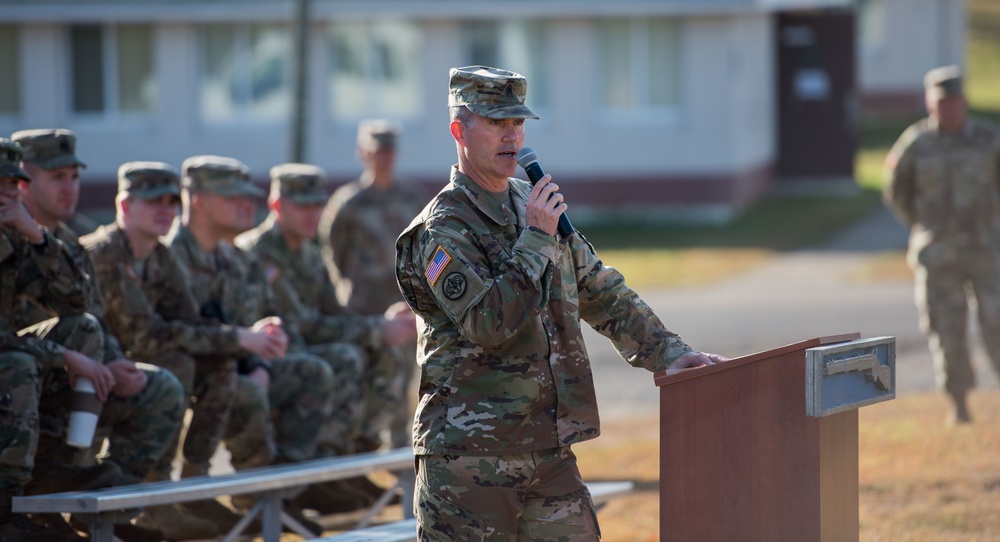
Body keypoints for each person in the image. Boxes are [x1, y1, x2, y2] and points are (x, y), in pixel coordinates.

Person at [395, 66, 727, 540]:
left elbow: (600, 290)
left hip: (547, 449)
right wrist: (534, 239)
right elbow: (488, 324)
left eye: (517, 124)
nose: (511, 136)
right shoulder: (443, 229)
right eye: (495, 123)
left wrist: (669, 353)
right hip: (467, 457)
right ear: (459, 131)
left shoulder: (534, 207)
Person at [81, 161, 280, 539]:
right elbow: (149, 336)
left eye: (172, 202)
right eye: (154, 201)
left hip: (134, 372)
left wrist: (244, 337)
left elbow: (188, 321)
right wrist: (238, 338)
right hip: (91, 373)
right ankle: (151, 495)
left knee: (215, 362)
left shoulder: (160, 257)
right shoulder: (103, 255)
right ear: (124, 206)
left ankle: (192, 483)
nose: (166, 210)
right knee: (177, 363)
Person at [165, 155, 333, 533]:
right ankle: (216, 492)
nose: (247, 205)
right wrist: (248, 353)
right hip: (189, 373)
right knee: (245, 391)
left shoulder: (237, 260)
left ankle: (282, 491)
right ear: (198, 201)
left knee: (310, 372)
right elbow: (176, 333)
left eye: (247, 196)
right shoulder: (169, 257)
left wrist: (262, 355)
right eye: (232, 197)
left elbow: (258, 321)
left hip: (233, 368)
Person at [235, 163, 417, 510]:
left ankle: (350, 461)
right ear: (277, 205)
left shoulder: (308, 253)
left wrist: (383, 324)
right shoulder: (258, 252)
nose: (312, 214)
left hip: (310, 355)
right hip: (268, 362)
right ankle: (319, 471)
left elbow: (335, 315)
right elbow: (301, 325)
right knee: (350, 356)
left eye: (317, 205)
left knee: (384, 355)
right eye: (302, 205)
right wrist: (378, 330)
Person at [0, 138, 114, 542]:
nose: (8, 195)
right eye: (0, 184)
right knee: (19, 365)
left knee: (83, 329)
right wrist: (62, 355)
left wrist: (38, 238)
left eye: (14, 185)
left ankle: (51, 469)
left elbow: (75, 302)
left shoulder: (14, 233)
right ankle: (5, 507)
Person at [883, 64, 1000, 425]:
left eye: (954, 101)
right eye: (941, 102)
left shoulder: (988, 139)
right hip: (938, 255)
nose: (948, 108)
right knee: (947, 330)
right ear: (930, 103)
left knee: (997, 323)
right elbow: (896, 192)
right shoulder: (915, 145)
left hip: (986, 250)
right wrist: (925, 228)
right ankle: (959, 405)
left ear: (963, 101)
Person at [318, 119, 426, 448]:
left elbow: (425, 247)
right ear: (363, 153)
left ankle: (400, 452)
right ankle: (359, 450)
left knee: (404, 380)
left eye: (389, 150)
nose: (384, 157)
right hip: (363, 308)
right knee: (363, 379)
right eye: (377, 151)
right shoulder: (348, 202)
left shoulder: (411, 198)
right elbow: (332, 251)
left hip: (402, 305)